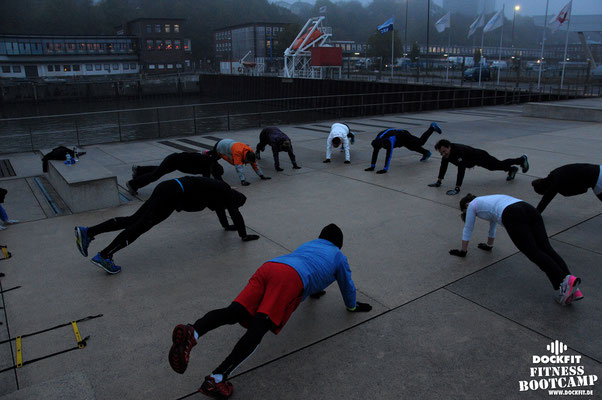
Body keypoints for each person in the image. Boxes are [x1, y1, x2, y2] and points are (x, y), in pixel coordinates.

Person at [168, 223, 372, 399]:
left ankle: (192, 331)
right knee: (259, 328)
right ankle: (217, 378)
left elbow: (312, 267)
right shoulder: (338, 255)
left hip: (271, 267)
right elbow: (347, 285)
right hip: (290, 279)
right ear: (339, 243)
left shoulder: (309, 245)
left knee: (235, 311)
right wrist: (352, 306)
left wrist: (315, 291)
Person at [74, 177, 258, 274]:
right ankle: (105, 255)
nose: (229, 207)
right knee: (139, 226)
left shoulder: (220, 192)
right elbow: (235, 213)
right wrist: (243, 235)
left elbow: (222, 212)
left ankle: (88, 232)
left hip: (169, 187)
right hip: (174, 194)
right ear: (234, 200)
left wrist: (227, 227)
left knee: (133, 220)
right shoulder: (226, 193)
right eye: (232, 205)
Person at [449, 193, 583, 306]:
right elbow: (493, 225)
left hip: (513, 214)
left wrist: (463, 251)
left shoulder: (472, 205)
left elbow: (468, 228)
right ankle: (572, 287)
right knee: (546, 248)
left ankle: (563, 281)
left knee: (533, 252)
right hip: (529, 209)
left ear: (466, 205)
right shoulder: (489, 199)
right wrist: (489, 246)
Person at [428, 139, 529, 195]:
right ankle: (512, 169)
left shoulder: (458, 151)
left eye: (444, 151)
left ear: (449, 147)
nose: (443, 154)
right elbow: (443, 166)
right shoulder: (446, 155)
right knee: (495, 167)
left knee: (497, 165)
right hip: (473, 160)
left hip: (480, 156)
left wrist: (457, 188)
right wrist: (438, 181)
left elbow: (461, 169)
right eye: (441, 153)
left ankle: (521, 159)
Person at [126, 152, 224, 195]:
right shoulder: (207, 162)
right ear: (214, 169)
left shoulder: (208, 167)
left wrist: (223, 186)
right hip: (174, 160)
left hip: (176, 163)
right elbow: (208, 181)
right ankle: (132, 184)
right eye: (214, 173)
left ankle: (139, 170)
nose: (213, 174)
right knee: (156, 175)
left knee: (159, 170)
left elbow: (208, 182)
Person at [364, 122, 442, 174]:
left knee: (420, 142)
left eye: (381, 147)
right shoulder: (377, 140)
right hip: (399, 139)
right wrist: (372, 166)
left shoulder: (388, 141)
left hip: (404, 136)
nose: (380, 148)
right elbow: (375, 153)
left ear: (382, 144)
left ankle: (432, 128)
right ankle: (426, 153)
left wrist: (385, 169)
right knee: (412, 147)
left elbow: (389, 155)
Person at [531, 163, 602, 213]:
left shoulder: (555, 183)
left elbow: (545, 200)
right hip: (598, 170)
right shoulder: (553, 174)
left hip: (597, 178)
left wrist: (536, 214)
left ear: (544, 189)